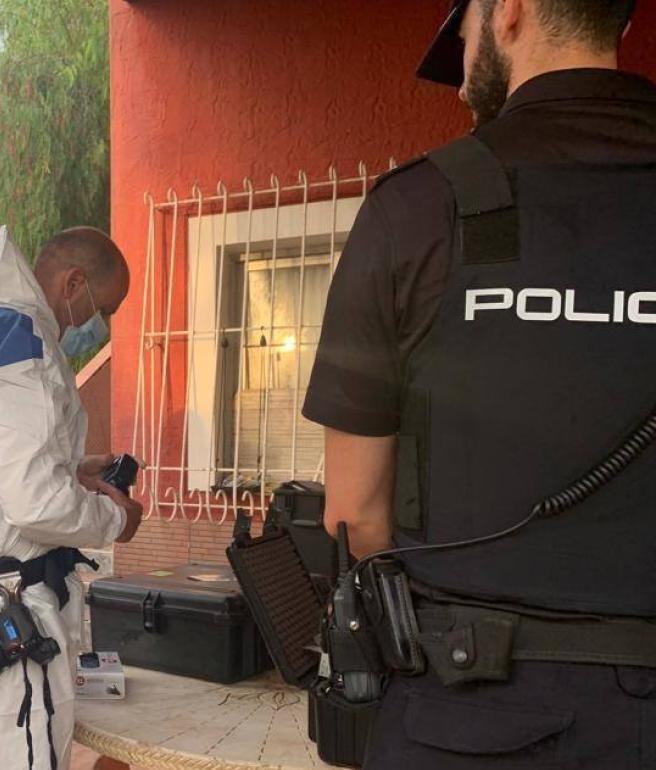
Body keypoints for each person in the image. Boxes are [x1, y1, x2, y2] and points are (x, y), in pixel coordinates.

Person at [303, 1, 655, 766]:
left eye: (460, 34)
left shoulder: (417, 211)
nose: (461, 79)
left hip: (469, 720)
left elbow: (355, 513)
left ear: (511, 13)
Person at [0, 226, 144, 770]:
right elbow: (34, 503)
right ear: (74, 282)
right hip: (4, 605)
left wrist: (75, 469)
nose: (98, 323)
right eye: (104, 308)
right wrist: (115, 518)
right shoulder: (19, 342)